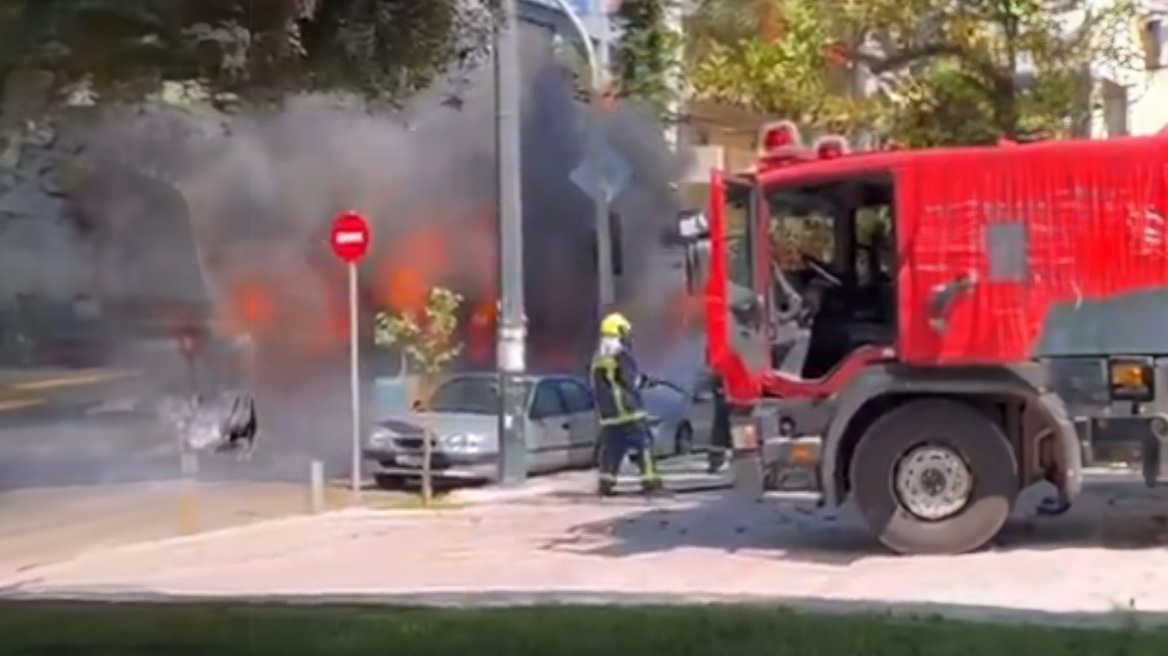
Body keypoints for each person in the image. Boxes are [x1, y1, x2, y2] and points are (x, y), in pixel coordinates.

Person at [589, 312, 665, 497]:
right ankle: (650, 482)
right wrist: (646, 382)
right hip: (629, 410)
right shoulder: (621, 355)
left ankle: (606, 483)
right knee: (644, 444)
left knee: (612, 450)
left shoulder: (598, 358)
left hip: (609, 415)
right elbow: (631, 381)